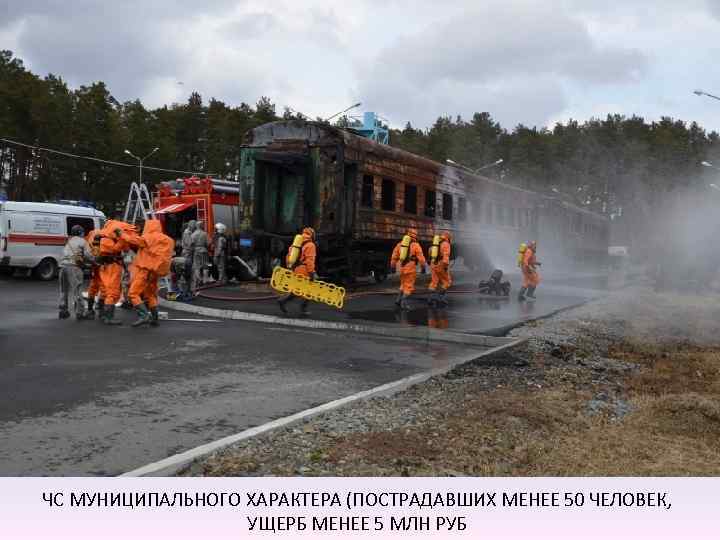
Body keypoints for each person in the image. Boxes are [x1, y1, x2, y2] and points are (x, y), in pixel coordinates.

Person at [117, 219, 175, 327]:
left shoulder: (149, 237)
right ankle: (155, 318)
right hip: (156, 272)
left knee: (133, 293)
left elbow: (133, 240)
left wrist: (121, 234)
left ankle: (144, 316)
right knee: (151, 295)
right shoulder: (168, 240)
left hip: (146, 270)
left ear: (149, 227)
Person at [98, 218, 137, 325]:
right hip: (113, 266)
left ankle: (102, 313)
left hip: (103, 266)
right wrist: (123, 240)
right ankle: (108, 317)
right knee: (112, 291)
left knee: (105, 290)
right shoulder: (116, 238)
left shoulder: (102, 236)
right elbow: (121, 249)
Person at [277, 227, 317, 316]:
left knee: (297, 290)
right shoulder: (310, 245)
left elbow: (288, 257)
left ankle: (283, 301)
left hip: (295, 269)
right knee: (311, 289)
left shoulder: (296, 244)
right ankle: (303, 308)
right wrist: (311, 274)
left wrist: (290, 268)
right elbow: (310, 261)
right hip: (305, 270)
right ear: (312, 235)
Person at [58, 225, 95, 320]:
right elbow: (88, 255)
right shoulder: (82, 241)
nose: (83, 234)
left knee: (63, 290)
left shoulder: (69, 241)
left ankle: (63, 311)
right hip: (74, 267)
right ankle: (80, 312)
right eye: (82, 232)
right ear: (80, 232)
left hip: (62, 267)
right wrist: (96, 261)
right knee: (77, 290)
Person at [390, 228, 426, 310]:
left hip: (401, 268)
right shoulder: (416, 245)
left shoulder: (400, 244)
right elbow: (421, 258)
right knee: (409, 286)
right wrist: (423, 267)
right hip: (410, 268)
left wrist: (392, 266)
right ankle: (404, 303)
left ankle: (398, 300)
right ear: (415, 236)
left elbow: (394, 256)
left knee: (403, 284)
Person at [428, 231, 452, 307]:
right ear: (448, 237)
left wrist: (431, 262)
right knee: (447, 282)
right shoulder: (446, 244)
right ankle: (440, 298)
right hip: (441, 264)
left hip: (433, 264)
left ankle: (430, 298)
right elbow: (446, 256)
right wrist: (445, 266)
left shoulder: (435, 244)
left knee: (434, 282)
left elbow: (429, 252)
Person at [85, 227, 104, 319]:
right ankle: (101, 311)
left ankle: (90, 310)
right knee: (103, 288)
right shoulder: (103, 235)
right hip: (100, 267)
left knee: (92, 288)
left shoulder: (92, 234)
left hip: (94, 267)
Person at [190, 220, 209, 294]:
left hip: (196, 251)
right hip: (203, 250)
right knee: (205, 265)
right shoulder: (205, 234)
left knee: (197, 266)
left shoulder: (193, 234)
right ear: (201, 226)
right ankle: (205, 280)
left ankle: (199, 279)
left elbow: (191, 244)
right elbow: (208, 243)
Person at [181, 220, 196, 298]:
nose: (195, 227)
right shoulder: (187, 233)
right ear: (191, 225)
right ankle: (187, 291)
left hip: (188, 252)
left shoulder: (188, 232)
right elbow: (189, 244)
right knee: (188, 270)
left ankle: (188, 290)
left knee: (189, 271)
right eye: (194, 225)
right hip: (187, 253)